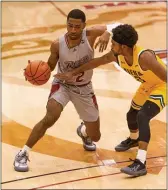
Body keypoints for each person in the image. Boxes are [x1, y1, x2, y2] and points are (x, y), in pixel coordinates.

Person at [13, 9, 121, 172]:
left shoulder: (91, 34)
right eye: (70, 26)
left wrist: (108, 33)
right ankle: (23, 152)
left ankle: (83, 131)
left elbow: (120, 25)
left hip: (84, 88)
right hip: (63, 85)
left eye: (77, 27)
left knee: (96, 136)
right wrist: (34, 70)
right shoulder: (57, 44)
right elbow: (49, 67)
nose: (73, 30)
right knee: (50, 117)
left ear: (84, 26)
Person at [55, 24, 167, 177]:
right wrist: (72, 72)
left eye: (114, 44)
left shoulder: (144, 57)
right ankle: (134, 139)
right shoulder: (116, 55)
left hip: (162, 86)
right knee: (131, 116)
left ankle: (141, 163)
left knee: (143, 116)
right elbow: (96, 62)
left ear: (124, 47)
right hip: (148, 84)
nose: (111, 45)